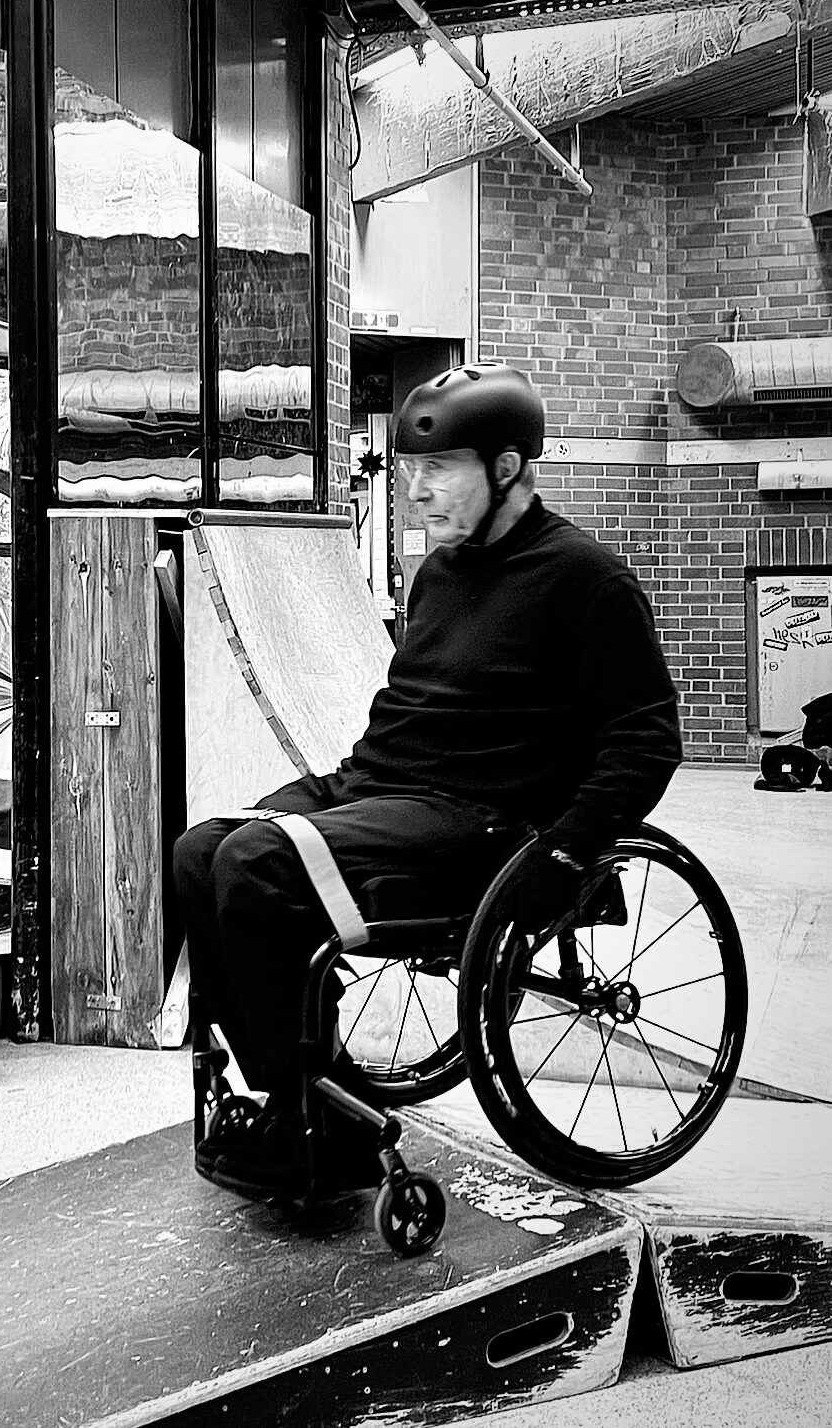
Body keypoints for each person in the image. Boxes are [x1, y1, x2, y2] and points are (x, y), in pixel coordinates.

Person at [174, 361, 683, 1198]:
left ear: (508, 467)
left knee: (258, 861)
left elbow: (645, 736)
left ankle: (321, 1123)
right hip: (384, 783)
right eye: (411, 469)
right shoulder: (438, 573)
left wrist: (566, 850)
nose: (417, 490)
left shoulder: (588, 579)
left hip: (483, 815)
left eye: (438, 469)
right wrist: (347, 785)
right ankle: (296, 1085)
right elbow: (410, 706)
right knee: (203, 851)